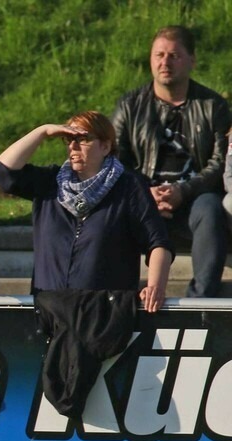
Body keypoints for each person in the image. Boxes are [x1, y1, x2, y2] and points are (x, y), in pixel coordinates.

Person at [0, 110, 173, 311]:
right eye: (69, 139)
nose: (73, 146)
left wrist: (155, 286)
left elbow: (158, 243)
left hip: (104, 315)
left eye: (83, 139)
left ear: (105, 146)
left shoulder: (129, 187)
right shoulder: (50, 183)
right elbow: (3, 172)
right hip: (50, 312)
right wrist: (42, 132)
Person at [112, 25, 230, 297]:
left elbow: (220, 162)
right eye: (159, 55)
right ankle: (117, 297)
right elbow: (116, 161)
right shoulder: (130, 105)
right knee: (111, 208)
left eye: (174, 56)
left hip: (194, 199)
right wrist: (144, 192)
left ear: (192, 60)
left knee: (211, 209)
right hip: (144, 197)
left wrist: (182, 191)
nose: (165, 62)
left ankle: (201, 300)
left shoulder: (213, 106)